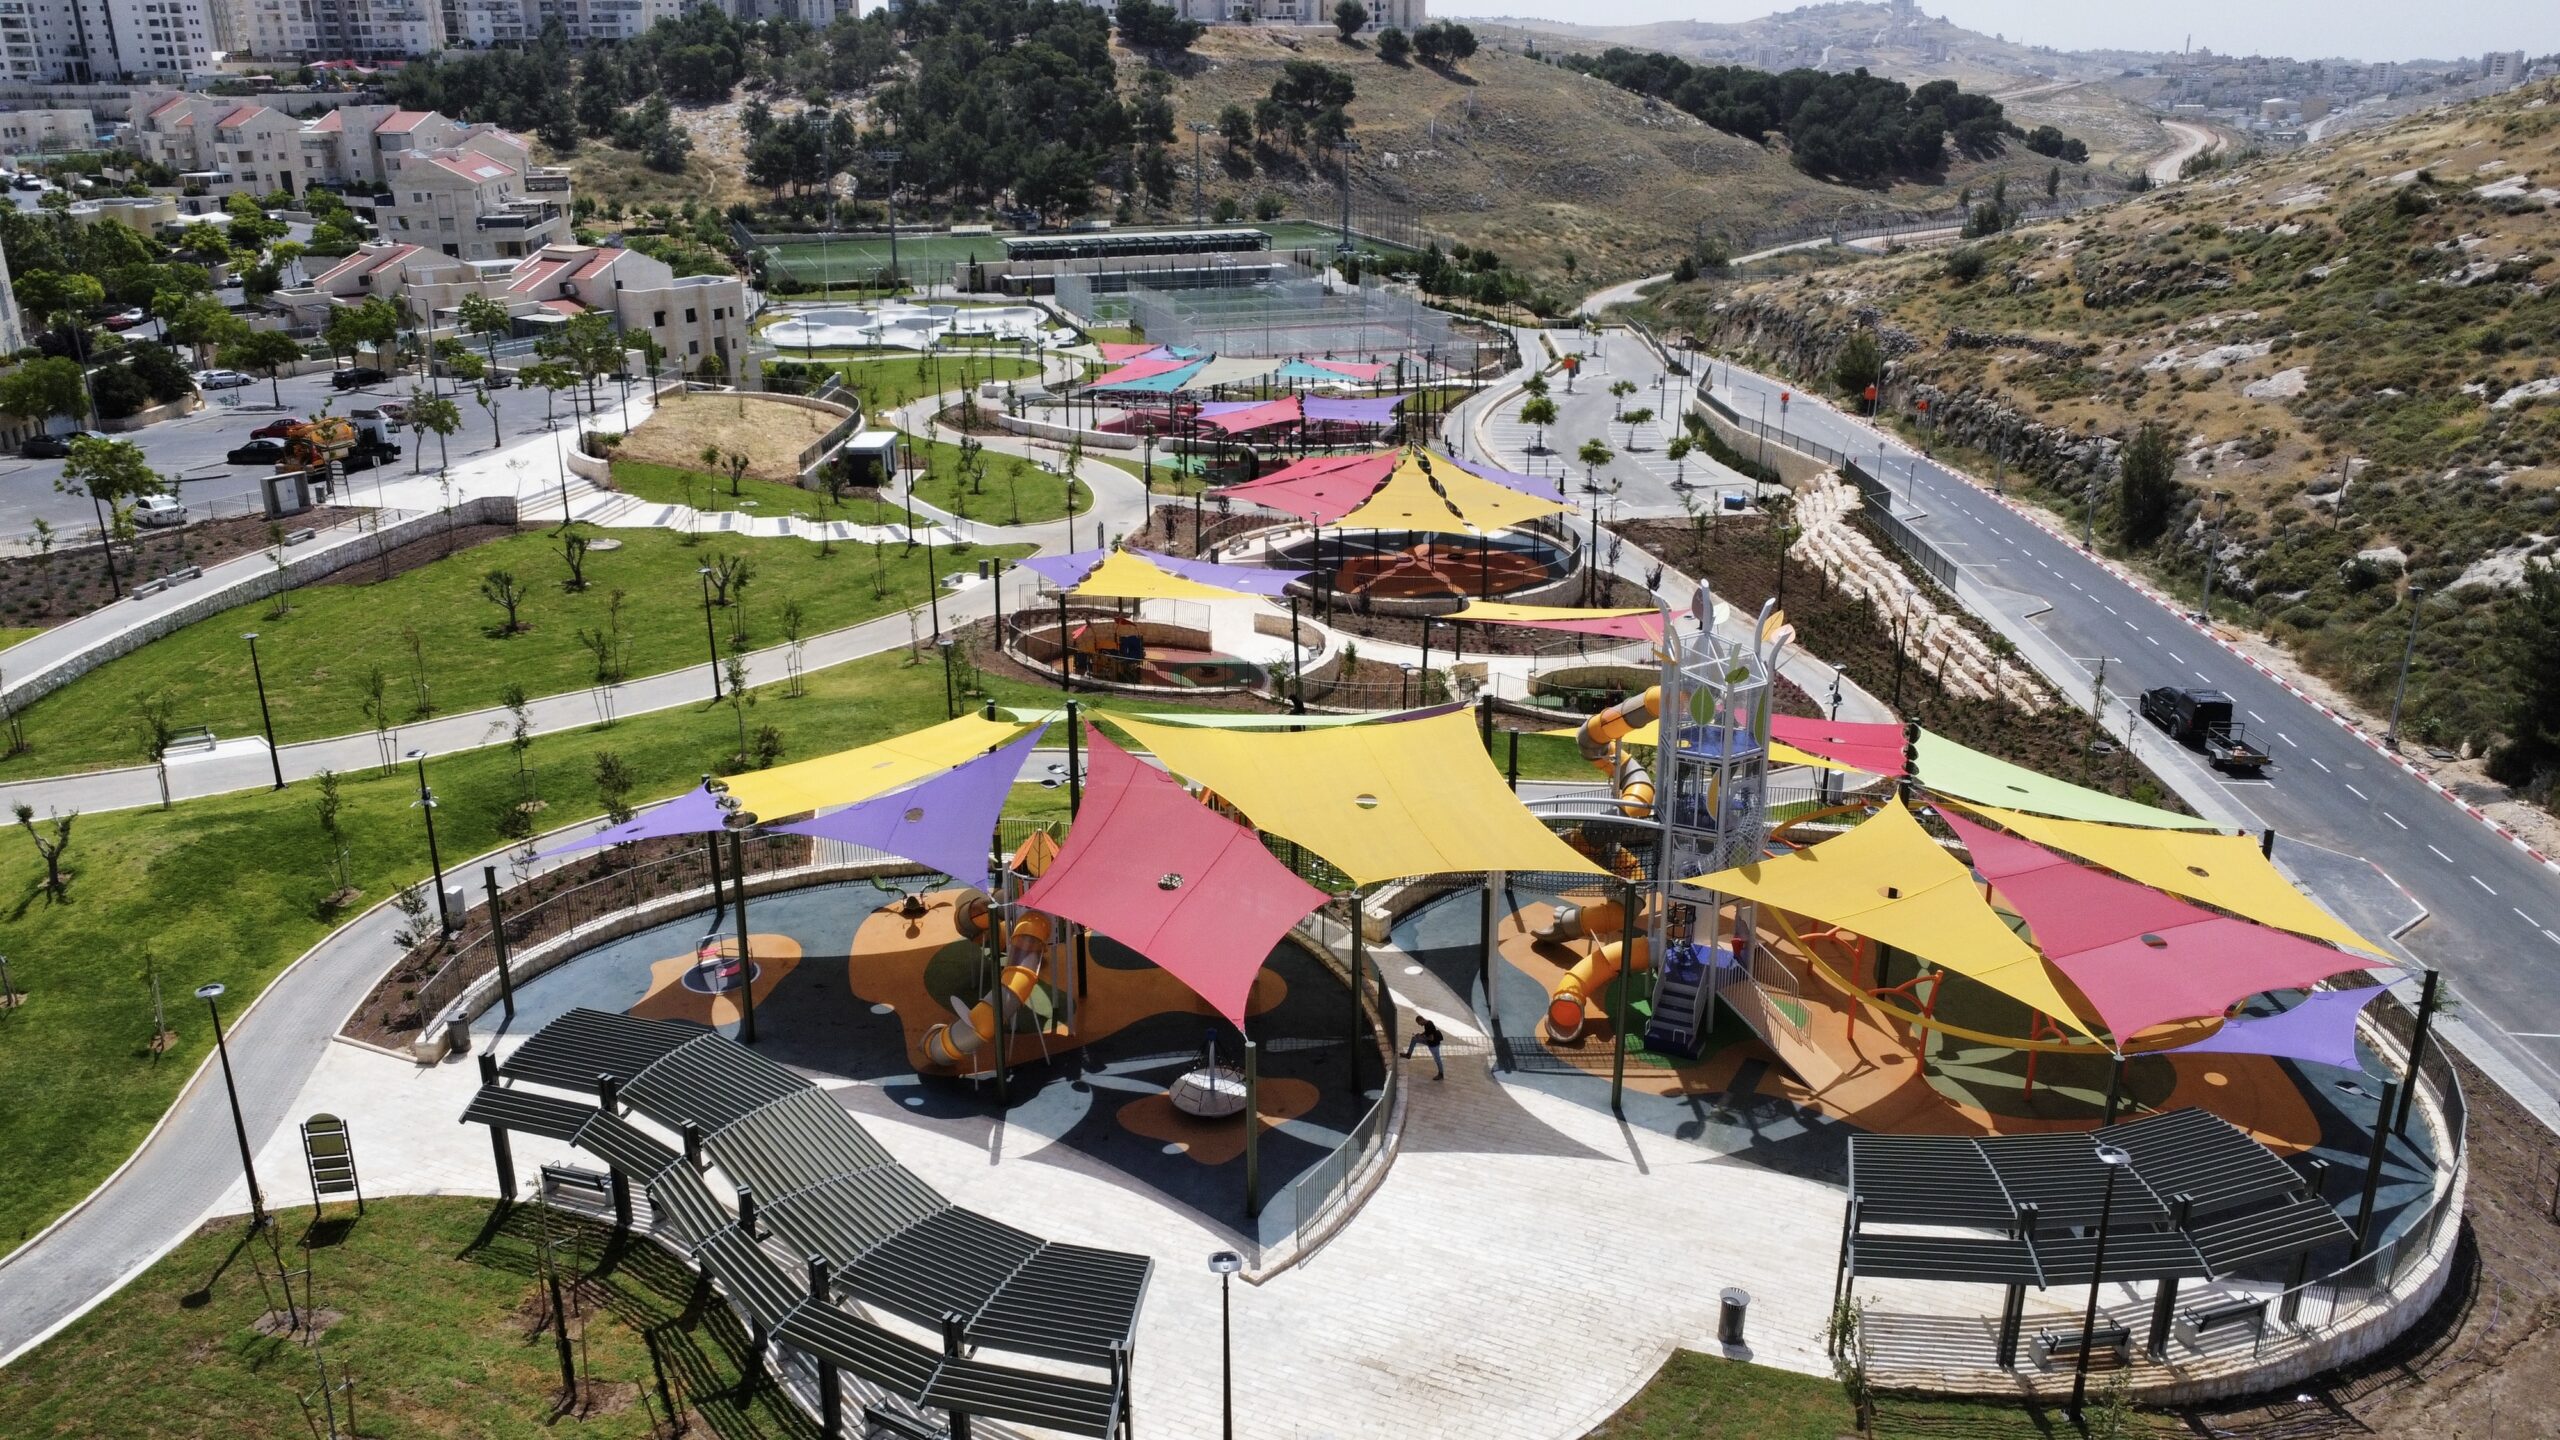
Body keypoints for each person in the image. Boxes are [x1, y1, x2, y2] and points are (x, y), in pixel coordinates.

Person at [1404, 1014, 1445, 1080]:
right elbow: (1427, 1032)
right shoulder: (1427, 1023)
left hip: (1433, 1044)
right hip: (1429, 1042)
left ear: (1421, 1020)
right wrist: (1420, 1035)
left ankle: (1441, 1074)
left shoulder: (1429, 1025)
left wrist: (1421, 1037)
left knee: (1437, 1059)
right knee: (1414, 1039)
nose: (1419, 1025)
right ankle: (1408, 1054)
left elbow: (1431, 1038)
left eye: (1419, 1023)